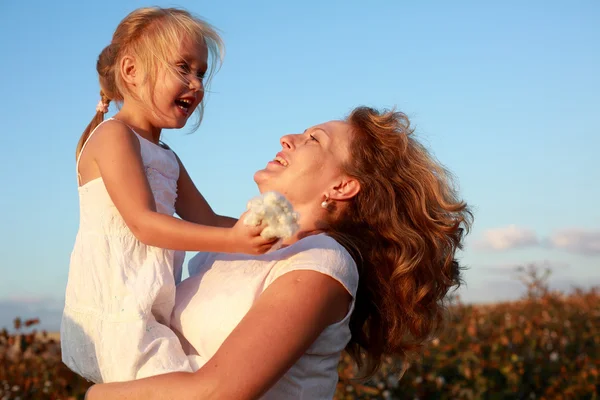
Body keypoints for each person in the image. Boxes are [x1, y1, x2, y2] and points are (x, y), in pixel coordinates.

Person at [85, 106, 473, 399]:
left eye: (314, 139)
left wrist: (97, 394)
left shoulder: (323, 263)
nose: (288, 137)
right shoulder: (229, 249)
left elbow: (218, 391)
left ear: (342, 187)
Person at [61, 7, 277, 383]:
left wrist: (274, 234)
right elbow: (145, 224)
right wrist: (233, 240)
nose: (195, 83)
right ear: (131, 71)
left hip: (151, 311)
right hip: (119, 315)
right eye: (183, 67)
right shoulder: (115, 137)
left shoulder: (167, 156)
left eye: (201, 73)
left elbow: (205, 219)